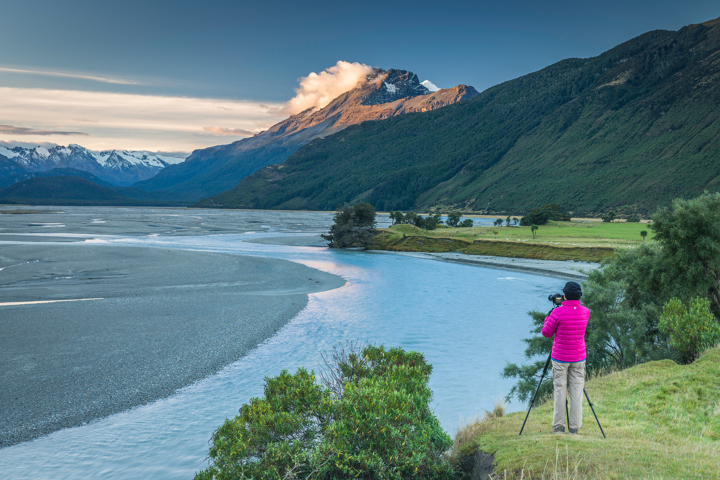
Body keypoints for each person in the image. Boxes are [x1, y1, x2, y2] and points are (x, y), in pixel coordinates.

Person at [542, 281, 589, 434]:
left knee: (560, 390)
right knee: (576, 391)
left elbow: (547, 333)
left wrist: (548, 317)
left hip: (560, 358)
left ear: (565, 295)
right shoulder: (585, 312)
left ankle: (559, 426)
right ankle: (574, 428)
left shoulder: (557, 313)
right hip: (578, 358)